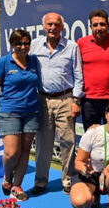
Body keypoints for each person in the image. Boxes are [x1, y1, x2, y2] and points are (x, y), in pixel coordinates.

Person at [30, 12, 85, 195]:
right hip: (42, 99)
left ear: (62, 27)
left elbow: (78, 75)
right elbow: (18, 61)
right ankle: (40, 181)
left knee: (68, 141)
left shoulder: (72, 47)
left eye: (56, 24)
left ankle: (68, 180)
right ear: (44, 26)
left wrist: (76, 100)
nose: (52, 28)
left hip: (65, 99)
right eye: (49, 24)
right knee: (43, 143)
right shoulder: (34, 46)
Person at [0, 29, 40, 202]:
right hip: (9, 112)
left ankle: (17, 186)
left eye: (26, 43)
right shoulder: (2, 62)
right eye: (19, 44)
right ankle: (7, 178)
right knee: (12, 152)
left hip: (31, 112)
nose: (23, 47)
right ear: (12, 45)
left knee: (25, 151)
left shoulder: (34, 61)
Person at [77, 9, 109, 131]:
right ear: (90, 26)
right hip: (89, 100)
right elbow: (76, 70)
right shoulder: (82, 43)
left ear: (108, 25)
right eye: (95, 25)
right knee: (91, 137)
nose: (99, 28)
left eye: (102, 24)